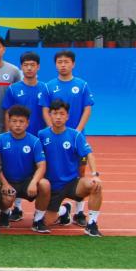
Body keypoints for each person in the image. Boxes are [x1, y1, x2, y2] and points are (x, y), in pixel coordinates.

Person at [39, 100, 103, 237]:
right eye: (55, 113)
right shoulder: (42, 135)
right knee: (46, 221)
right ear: (50, 115)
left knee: (95, 185)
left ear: (67, 116)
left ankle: (92, 224)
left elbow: (89, 154)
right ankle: (64, 210)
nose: (58, 117)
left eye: (62, 114)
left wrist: (95, 175)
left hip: (72, 183)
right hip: (52, 186)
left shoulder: (75, 135)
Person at [0, 105, 51, 233]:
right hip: (8, 181)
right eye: (14, 121)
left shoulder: (34, 141)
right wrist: (4, 183)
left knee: (45, 184)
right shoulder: (0, 139)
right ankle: (4, 212)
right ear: (9, 122)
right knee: (5, 198)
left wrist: (34, 182)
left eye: (21, 121)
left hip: (27, 181)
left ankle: (38, 220)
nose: (18, 125)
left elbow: (42, 165)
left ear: (27, 123)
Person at [45, 50, 95, 133]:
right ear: (55, 65)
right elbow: (45, 110)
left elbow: (87, 109)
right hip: (55, 134)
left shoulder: (82, 85)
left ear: (73, 64)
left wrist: (78, 131)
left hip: (76, 133)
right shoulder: (48, 86)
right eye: (60, 62)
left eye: (66, 62)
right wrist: (52, 130)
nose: (63, 65)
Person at [3, 51, 50, 137]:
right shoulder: (13, 89)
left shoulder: (45, 88)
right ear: (21, 67)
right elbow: (7, 113)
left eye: (32, 65)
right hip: (18, 136)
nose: (29, 68)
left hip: (40, 135)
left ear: (38, 67)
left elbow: (49, 113)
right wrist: (8, 134)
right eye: (26, 65)